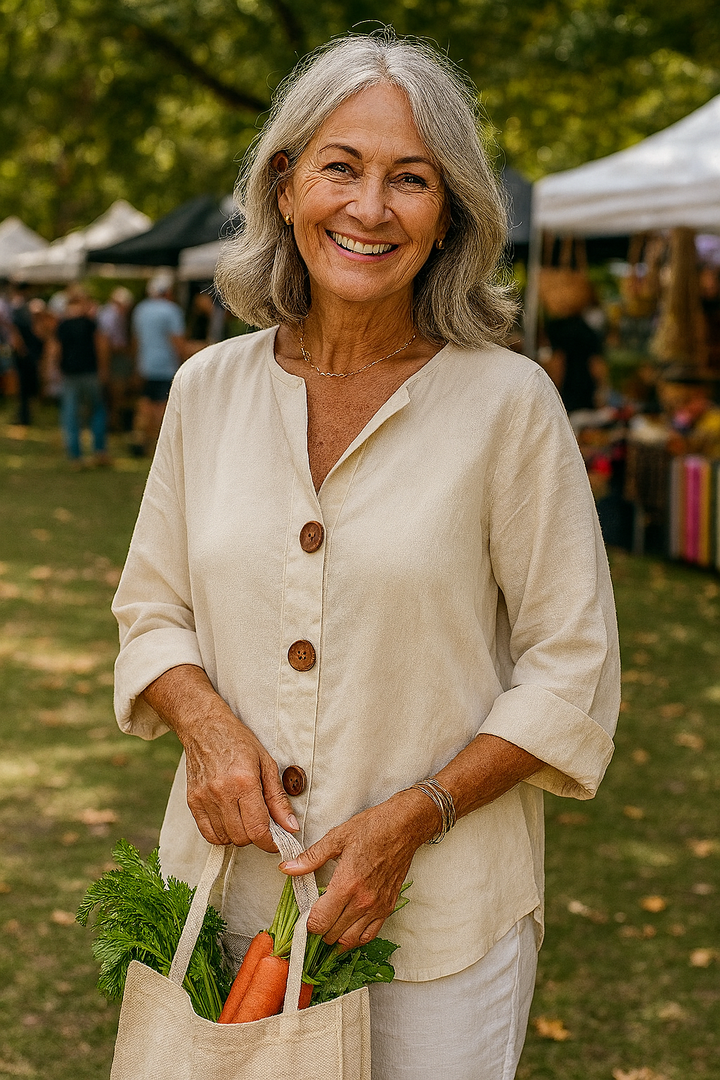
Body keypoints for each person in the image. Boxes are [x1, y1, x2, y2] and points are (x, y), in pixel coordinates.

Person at [112, 33, 620, 1080]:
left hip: (440, 926)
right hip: (228, 903)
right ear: (287, 184)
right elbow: (150, 611)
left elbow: (572, 667)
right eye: (341, 166)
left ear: (450, 216)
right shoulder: (209, 390)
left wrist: (412, 818)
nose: (371, 207)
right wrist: (205, 729)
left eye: (412, 179)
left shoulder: (507, 406)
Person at [129, 272, 185, 455]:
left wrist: (137, 364)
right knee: (162, 407)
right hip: (166, 365)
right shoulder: (171, 310)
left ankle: (139, 440)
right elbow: (177, 341)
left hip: (146, 365)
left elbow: (136, 340)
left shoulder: (140, 310)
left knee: (145, 404)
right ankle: (160, 448)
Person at [55, 285, 110, 467]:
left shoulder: (63, 325)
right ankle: (100, 451)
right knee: (97, 410)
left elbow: (56, 349)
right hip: (90, 372)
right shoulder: (90, 323)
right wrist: (103, 369)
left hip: (70, 374)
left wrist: (56, 369)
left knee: (71, 414)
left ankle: (75, 456)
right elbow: (100, 346)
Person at [97, 286, 135, 434]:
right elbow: (104, 342)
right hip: (113, 358)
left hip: (115, 357)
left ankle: (113, 422)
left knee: (116, 392)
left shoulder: (112, 314)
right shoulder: (110, 315)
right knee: (115, 392)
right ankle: (112, 422)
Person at [8, 282, 44, 426]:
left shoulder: (21, 308)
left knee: (26, 386)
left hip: (26, 352)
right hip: (30, 352)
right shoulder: (27, 307)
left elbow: (16, 331)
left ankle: (25, 415)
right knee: (27, 386)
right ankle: (25, 415)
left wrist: (20, 347)